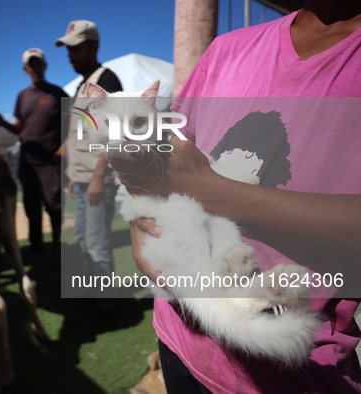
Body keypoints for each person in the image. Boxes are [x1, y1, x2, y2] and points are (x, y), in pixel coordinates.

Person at [115, 2, 361, 392]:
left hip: (293, 372)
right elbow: (164, 163)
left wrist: (213, 191)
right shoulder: (226, 50)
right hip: (178, 335)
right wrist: (139, 223)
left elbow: (192, 180)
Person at [55, 20, 123, 336]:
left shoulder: (106, 79)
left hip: (98, 180)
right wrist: (73, 175)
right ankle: (96, 294)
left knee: (97, 245)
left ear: (93, 46)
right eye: (68, 48)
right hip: (81, 179)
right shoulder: (83, 83)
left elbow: (117, 134)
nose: (70, 54)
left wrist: (97, 176)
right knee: (83, 240)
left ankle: (106, 309)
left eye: (76, 47)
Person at [0, 48, 68, 262]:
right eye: (31, 65)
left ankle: (57, 250)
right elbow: (19, 127)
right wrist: (3, 123)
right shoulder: (22, 96)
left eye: (38, 64)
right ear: (25, 69)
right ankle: (36, 245)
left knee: (55, 207)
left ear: (45, 66)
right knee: (31, 207)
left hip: (50, 163)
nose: (35, 68)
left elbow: (77, 122)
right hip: (27, 162)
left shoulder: (58, 93)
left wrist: (65, 145)